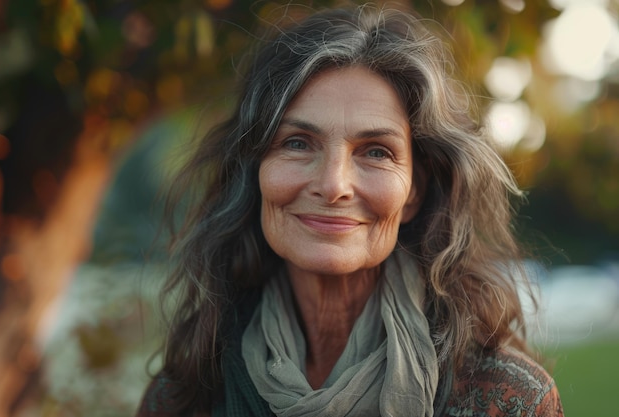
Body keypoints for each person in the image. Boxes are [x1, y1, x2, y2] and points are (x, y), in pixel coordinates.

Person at [137, 4, 563, 417]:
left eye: (376, 152)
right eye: (298, 143)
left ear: (414, 191)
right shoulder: (186, 395)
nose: (334, 185)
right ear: (256, 173)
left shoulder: (508, 402)